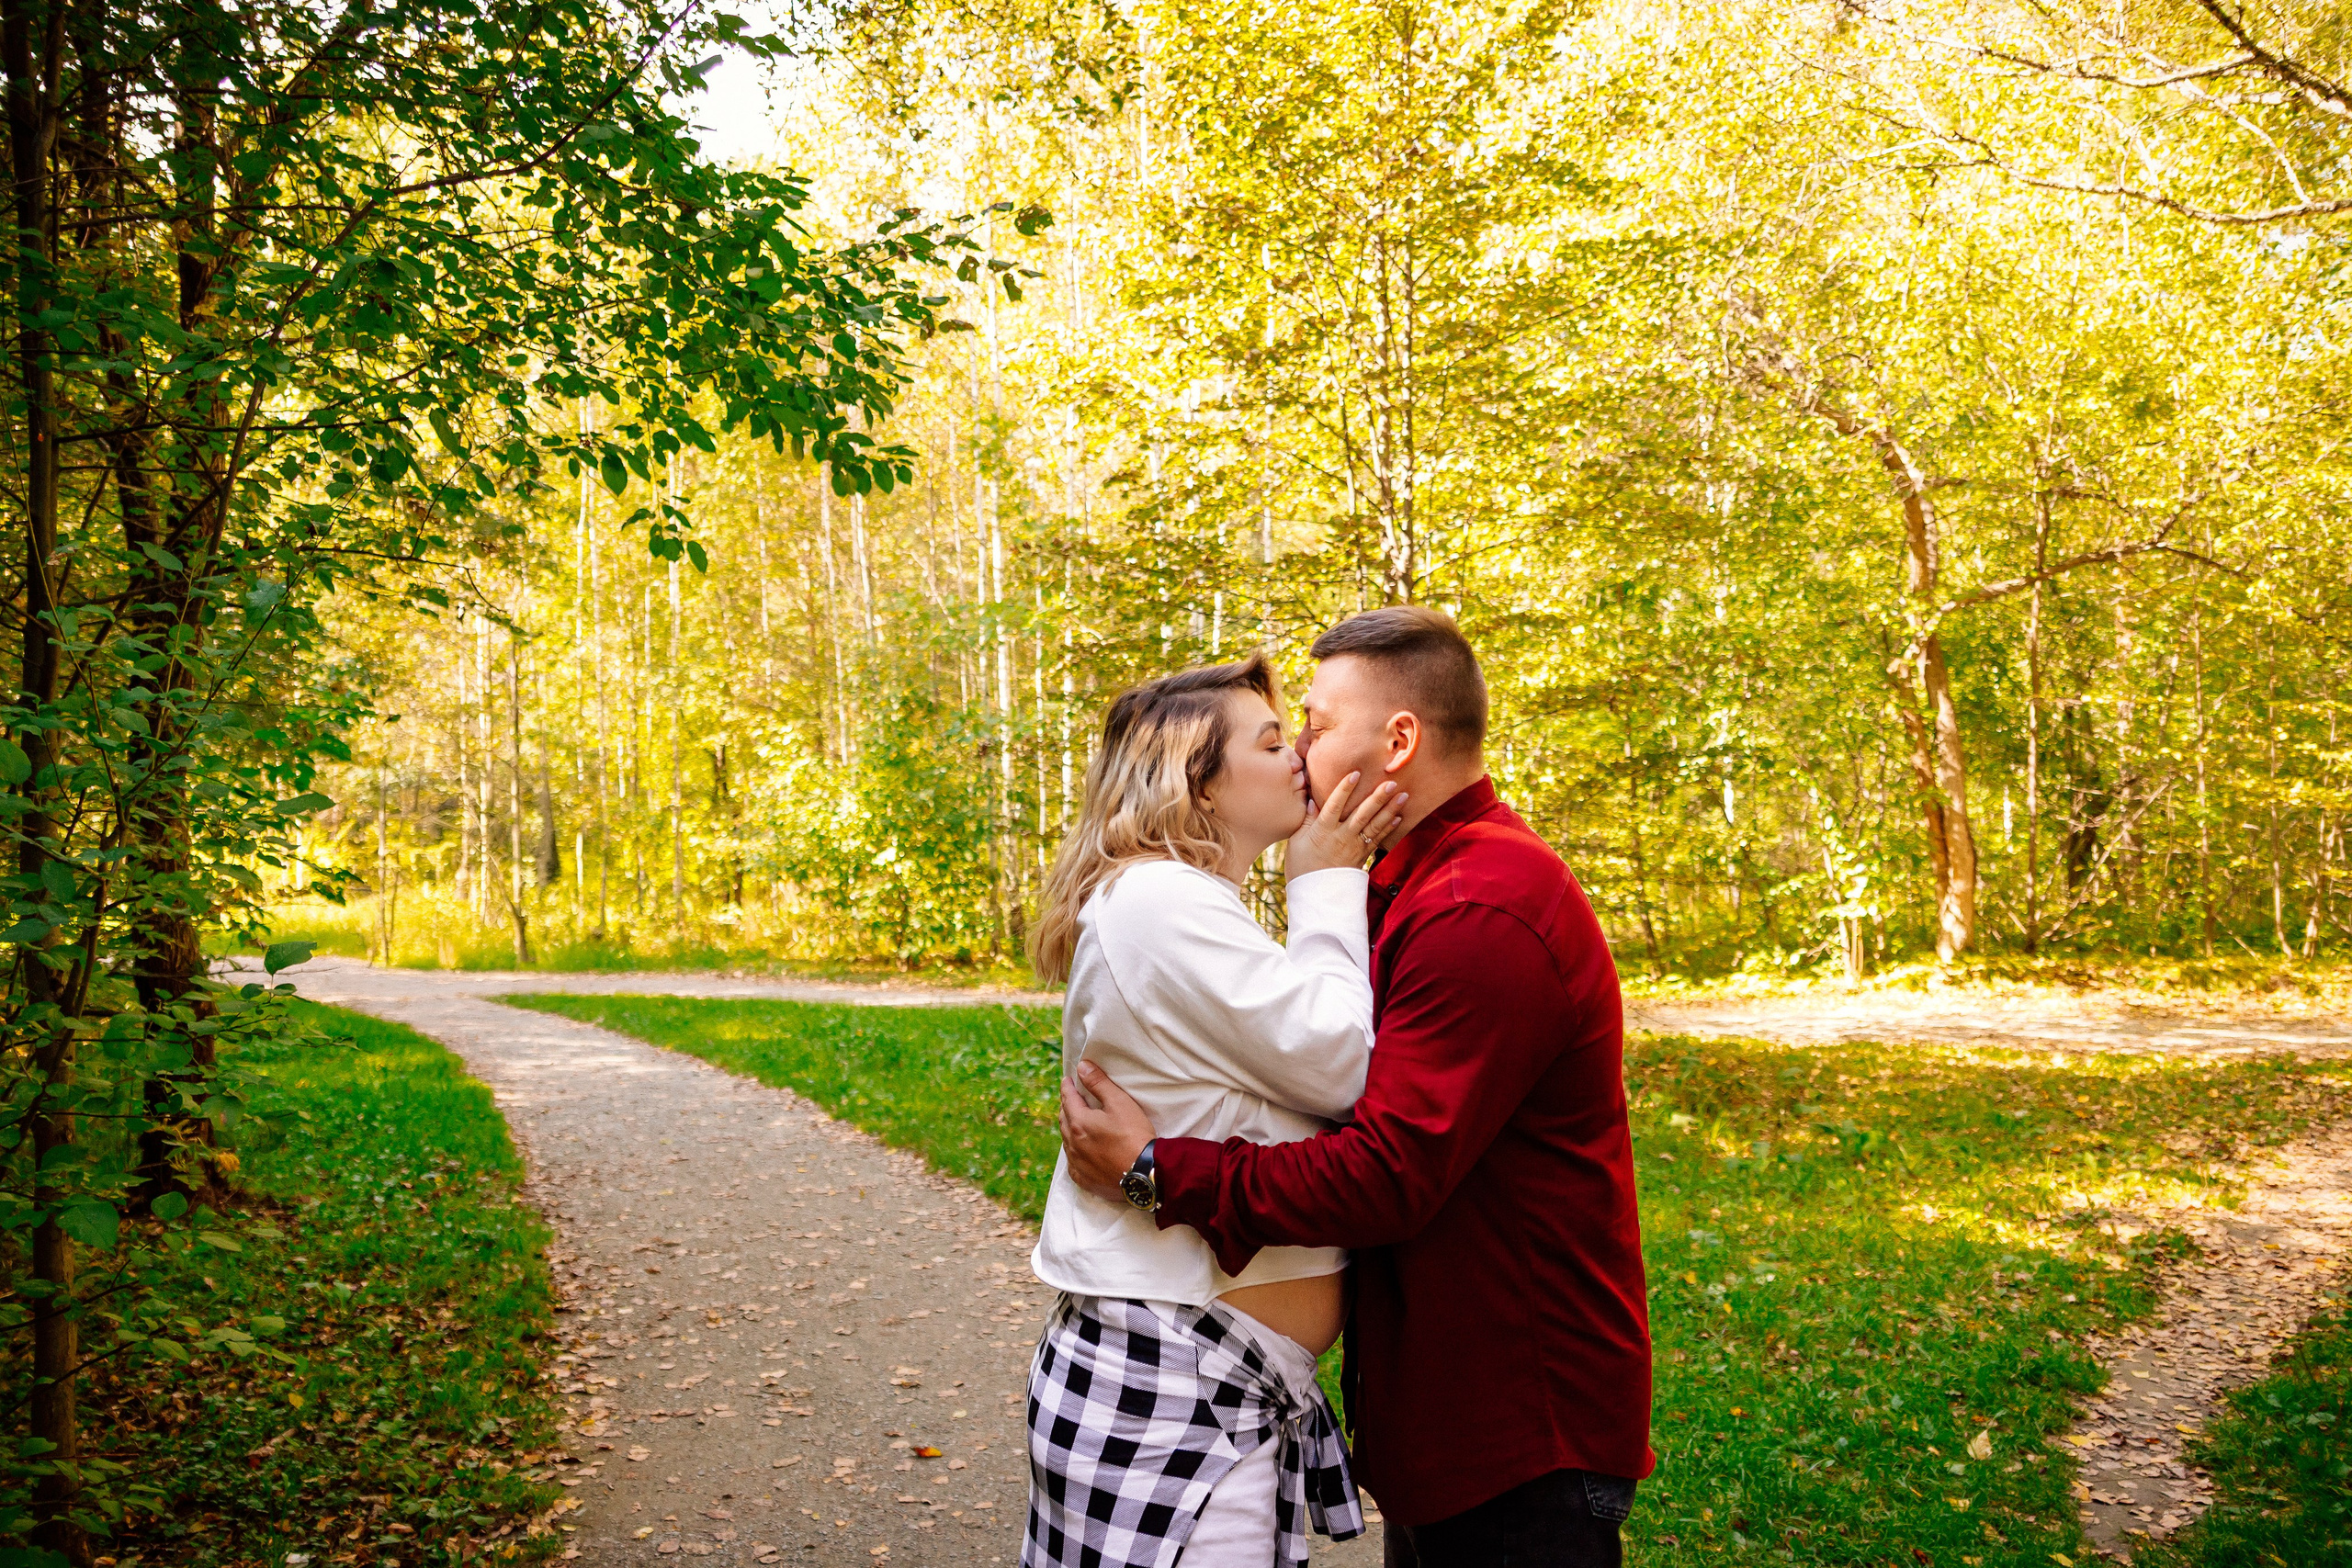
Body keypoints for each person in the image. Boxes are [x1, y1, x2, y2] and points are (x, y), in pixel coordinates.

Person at [1058, 606, 1654, 1568]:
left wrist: (1160, 1170)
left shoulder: (1484, 904)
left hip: (1519, 1424)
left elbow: (1385, 1172)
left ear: (1400, 739)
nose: (1299, 747)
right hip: (1452, 1416)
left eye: (1316, 722)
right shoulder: (1413, 884)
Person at [1022, 649, 1410, 1568]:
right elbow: (1344, 1063)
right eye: (1273, 741)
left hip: (1197, 1381)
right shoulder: (1160, 901)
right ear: (1194, 784)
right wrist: (1323, 879)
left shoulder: (1178, 901)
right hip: (1172, 1386)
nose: (1298, 760)